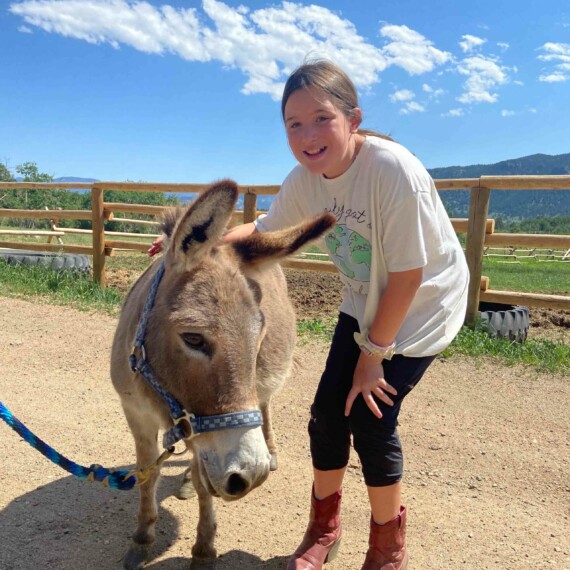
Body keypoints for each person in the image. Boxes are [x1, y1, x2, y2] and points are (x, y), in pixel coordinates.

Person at [149, 58, 469, 570]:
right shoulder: (307, 178)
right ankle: (324, 530)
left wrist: (372, 358)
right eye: (294, 124)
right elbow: (262, 229)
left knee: (369, 420)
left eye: (321, 118)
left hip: (422, 306)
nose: (308, 134)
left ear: (353, 118)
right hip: (367, 303)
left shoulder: (391, 171)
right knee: (325, 418)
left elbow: (409, 277)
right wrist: (187, 244)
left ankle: (388, 549)